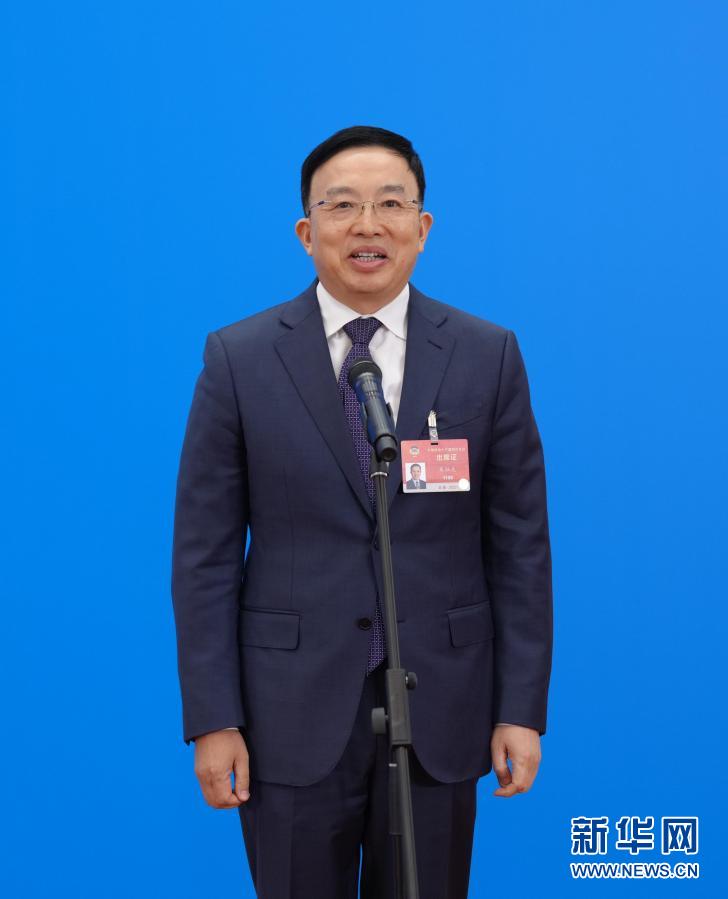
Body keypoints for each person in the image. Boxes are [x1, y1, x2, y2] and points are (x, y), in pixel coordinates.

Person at [171, 125, 553, 898]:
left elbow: (520, 548)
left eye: (390, 204)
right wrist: (214, 718)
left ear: (423, 226)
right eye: (342, 205)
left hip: (441, 705)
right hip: (287, 714)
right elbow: (204, 555)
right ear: (306, 231)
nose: (367, 225)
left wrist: (520, 709)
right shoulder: (240, 358)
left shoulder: (487, 354)